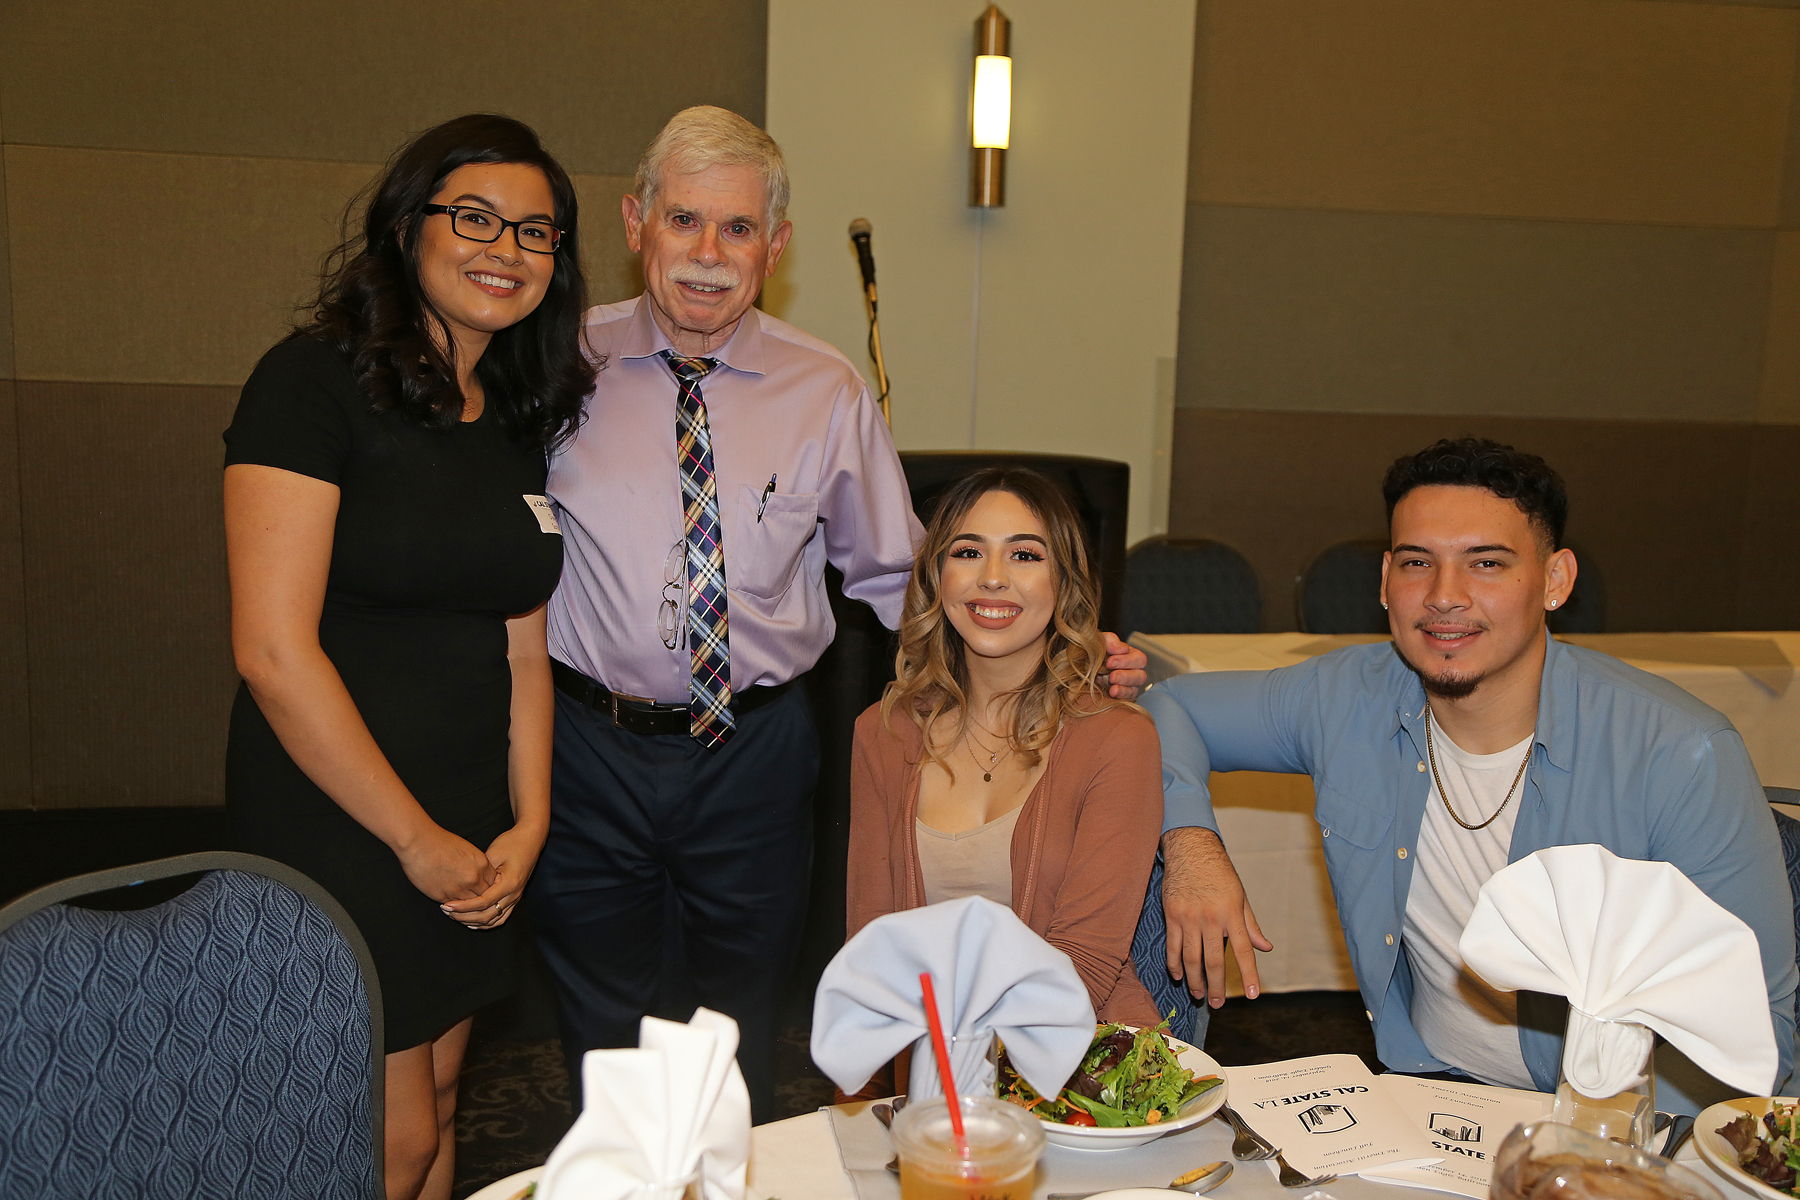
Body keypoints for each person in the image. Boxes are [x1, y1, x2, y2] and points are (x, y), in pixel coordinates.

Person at [530, 106, 1148, 1120]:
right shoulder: (557, 368)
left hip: (756, 751)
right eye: (684, 221)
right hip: (588, 745)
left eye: (738, 230)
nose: (707, 255)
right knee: (602, 1024)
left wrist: (1069, 661)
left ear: (775, 246)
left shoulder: (825, 390)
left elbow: (906, 578)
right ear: (637, 221)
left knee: (744, 1020)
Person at [1152, 437, 1795, 1108]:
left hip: (1617, 1127)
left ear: (1555, 581)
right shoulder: (1346, 696)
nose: (1444, 596)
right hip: (1428, 1094)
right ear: (1383, 582)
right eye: (1416, 563)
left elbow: (1759, 1037)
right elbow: (1172, 708)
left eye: (1486, 563)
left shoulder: (1681, 754)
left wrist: (1588, 1150)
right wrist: (1192, 845)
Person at [223, 114, 592, 1200]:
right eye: (475, 217)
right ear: (406, 227)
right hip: (341, 817)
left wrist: (529, 823)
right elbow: (273, 652)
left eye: (537, 233)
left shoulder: (514, 417)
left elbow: (524, 644)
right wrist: (415, 838)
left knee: (434, 1121)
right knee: (380, 1142)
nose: (507, 250)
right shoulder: (309, 383)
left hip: (472, 817)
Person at [847, 468, 1163, 1026]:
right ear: (936, 576)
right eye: (968, 552)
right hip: (931, 1072)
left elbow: (1082, 965)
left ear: (1063, 582)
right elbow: (870, 947)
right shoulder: (883, 733)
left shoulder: (1117, 739)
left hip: (1082, 1080)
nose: (992, 578)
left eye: (1025, 556)